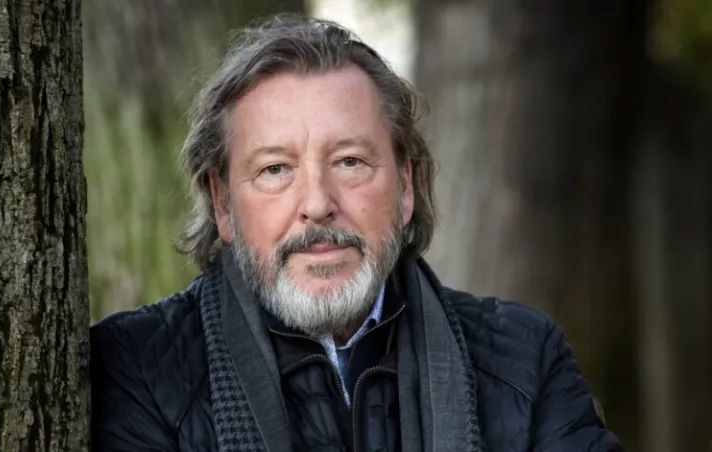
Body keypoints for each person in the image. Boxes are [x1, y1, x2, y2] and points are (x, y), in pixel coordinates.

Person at [90, 15, 622, 452]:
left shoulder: (525, 360)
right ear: (224, 203)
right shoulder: (136, 370)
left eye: (349, 161)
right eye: (275, 169)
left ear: (405, 185)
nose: (317, 204)